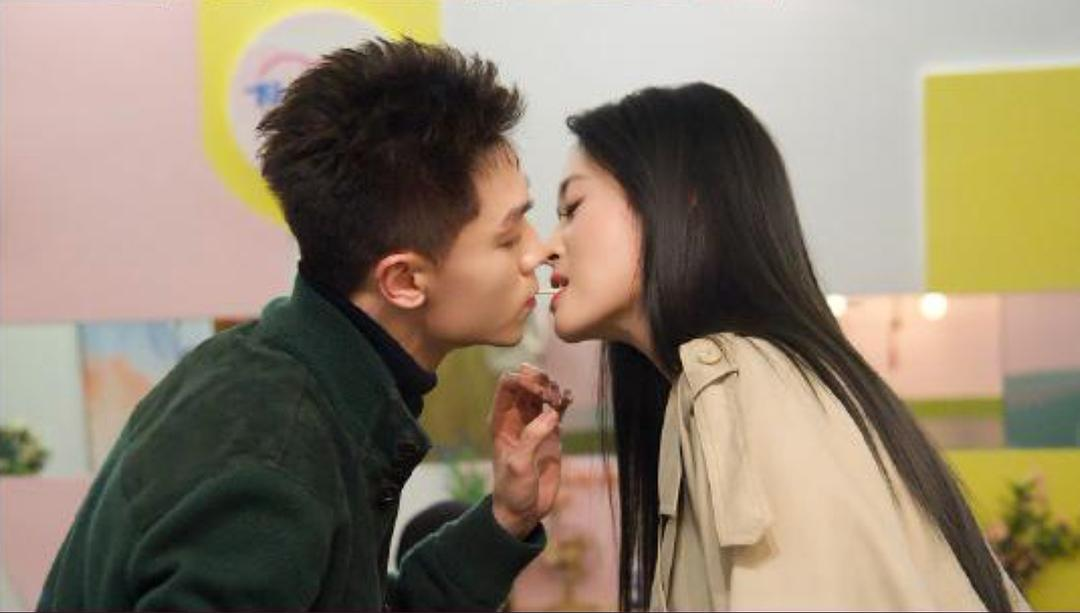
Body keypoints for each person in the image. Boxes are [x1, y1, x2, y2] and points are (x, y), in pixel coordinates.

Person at [38, 39, 569, 611]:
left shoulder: (298, 384)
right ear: (404, 281)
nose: (540, 251)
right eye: (509, 237)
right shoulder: (275, 446)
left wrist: (506, 518)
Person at [542, 82, 1028, 611]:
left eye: (572, 207)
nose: (547, 247)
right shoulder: (767, 379)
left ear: (685, 202)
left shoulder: (737, 383)